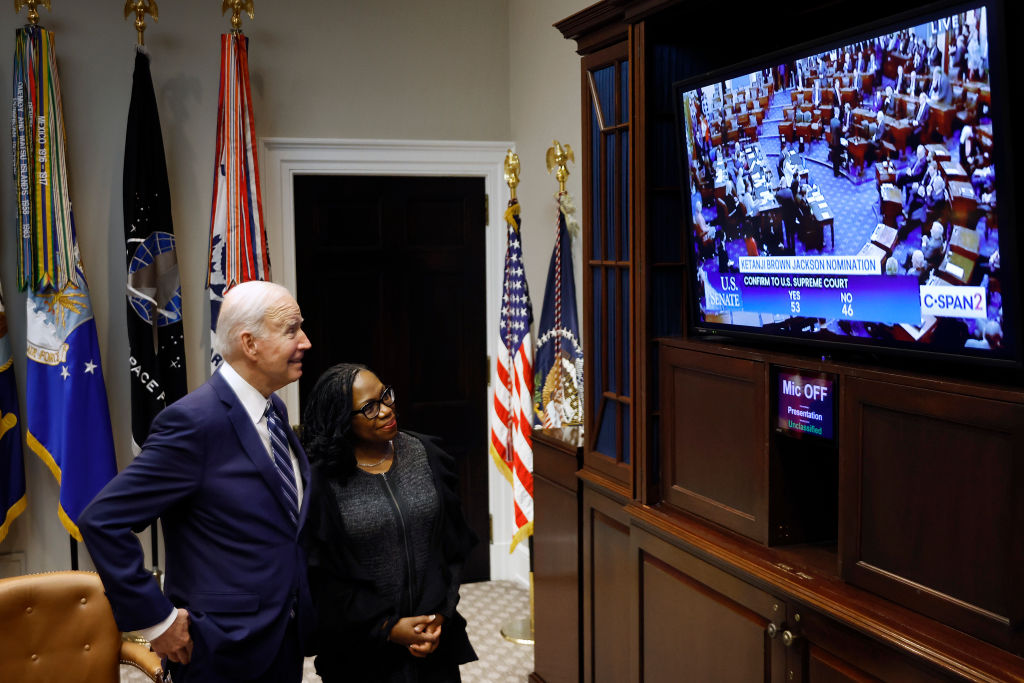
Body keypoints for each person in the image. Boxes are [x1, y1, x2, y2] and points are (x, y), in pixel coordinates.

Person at [79, 281, 315, 683]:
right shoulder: (193, 422)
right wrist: (156, 620)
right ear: (250, 344)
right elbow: (102, 519)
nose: (306, 342)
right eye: (292, 330)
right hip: (219, 649)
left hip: (281, 638)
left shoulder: (272, 408)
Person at [302, 363, 478, 682]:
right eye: (369, 407)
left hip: (432, 642)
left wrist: (441, 613)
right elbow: (322, 580)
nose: (385, 410)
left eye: (385, 396)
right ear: (343, 420)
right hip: (360, 653)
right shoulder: (321, 483)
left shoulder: (426, 454)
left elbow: (452, 547)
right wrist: (387, 628)